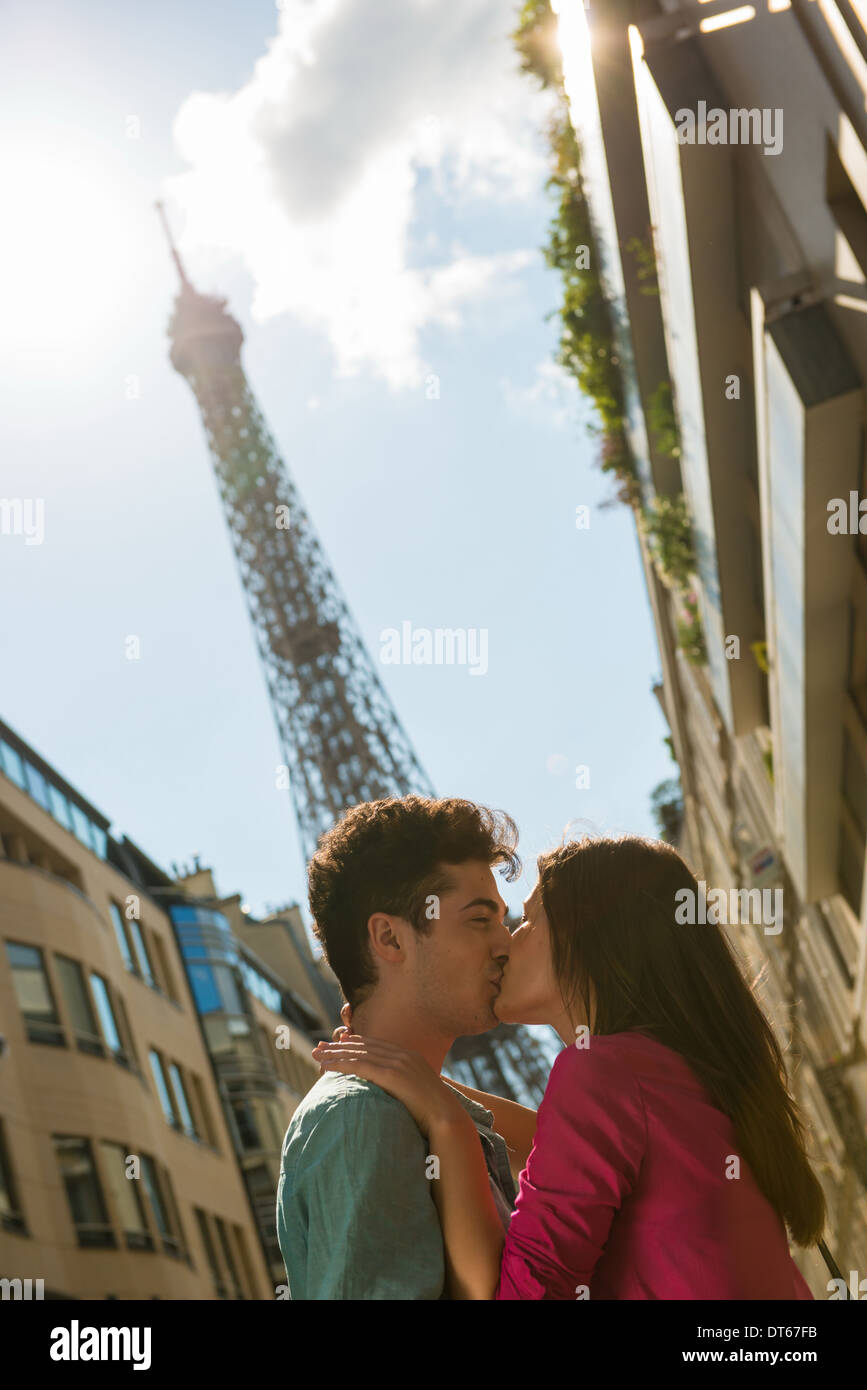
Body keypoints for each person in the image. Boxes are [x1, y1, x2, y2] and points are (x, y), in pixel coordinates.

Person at [314, 834, 825, 1299]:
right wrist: (422, 1081)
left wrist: (444, 1120)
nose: (506, 941)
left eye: (529, 920)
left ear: (586, 939)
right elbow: (555, 1150)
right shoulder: (665, 1069)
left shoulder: (600, 1072)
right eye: (485, 920)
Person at [275, 794, 537, 1300]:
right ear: (390, 940)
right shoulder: (361, 1119)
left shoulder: (417, 1111)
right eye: (480, 919)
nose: (505, 943)